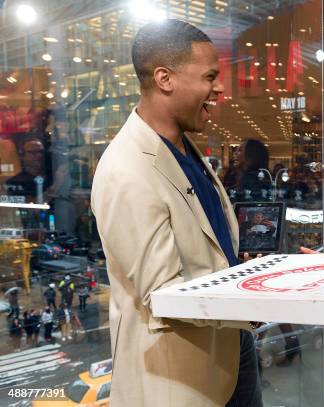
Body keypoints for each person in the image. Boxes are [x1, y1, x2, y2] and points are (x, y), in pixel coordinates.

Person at [91, 19, 262, 407]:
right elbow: (163, 294)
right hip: (182, 377)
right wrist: (255, 300)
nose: (219, 88)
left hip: (232, 351)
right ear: (165, 79)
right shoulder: (127, 170)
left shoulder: (183, 148)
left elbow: (207, 248)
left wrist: (245, 269)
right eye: (209, 76)